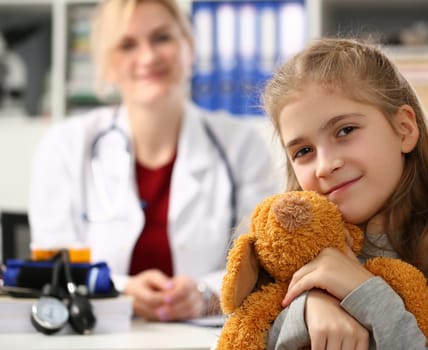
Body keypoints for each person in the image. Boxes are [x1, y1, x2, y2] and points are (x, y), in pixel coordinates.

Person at [262, 37, 428, 349]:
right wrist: (307, 305)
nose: (324, 166)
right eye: (303, 151)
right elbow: (244, 332)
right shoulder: (285, 249)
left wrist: (366, 295)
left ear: (404, 129)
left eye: (345, 131)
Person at [28, 0, 278, 322]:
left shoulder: (241, 145)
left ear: (189, 45)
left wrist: (207, 294)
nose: (148, 57)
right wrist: (119, 290)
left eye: (162, 38)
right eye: (127, 44)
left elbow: (265, 259)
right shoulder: (66, 146)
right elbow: (54, 260)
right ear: (108, 64)